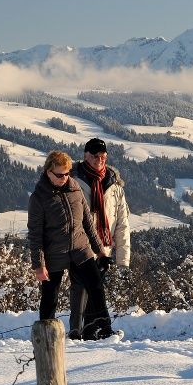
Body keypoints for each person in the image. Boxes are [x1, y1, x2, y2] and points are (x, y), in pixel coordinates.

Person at [27, 150, 120, 341]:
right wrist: (39, 265)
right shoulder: (39, 198)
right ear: (48, 172)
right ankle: (46, 337)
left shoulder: (75, 187)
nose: (63, 178)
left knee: (96, 287)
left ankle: (104, 329)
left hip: (80, 248)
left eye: (67, 173)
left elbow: (87, 222)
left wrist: (99, 250)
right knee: (50, 297)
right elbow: (35, 235)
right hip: (54, 253)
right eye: (59, 174)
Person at [70, 138, 130, 338]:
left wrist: (123, 259)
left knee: (96, 290)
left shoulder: (114, 186)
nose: (99, 160)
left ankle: (89, 331)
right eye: (95, 156)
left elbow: (122, 223)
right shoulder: (74, 182)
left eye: (103, 156)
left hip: (104, 248)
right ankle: (78, 332)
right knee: (81, 288)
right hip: (81, 245)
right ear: (86, 156)